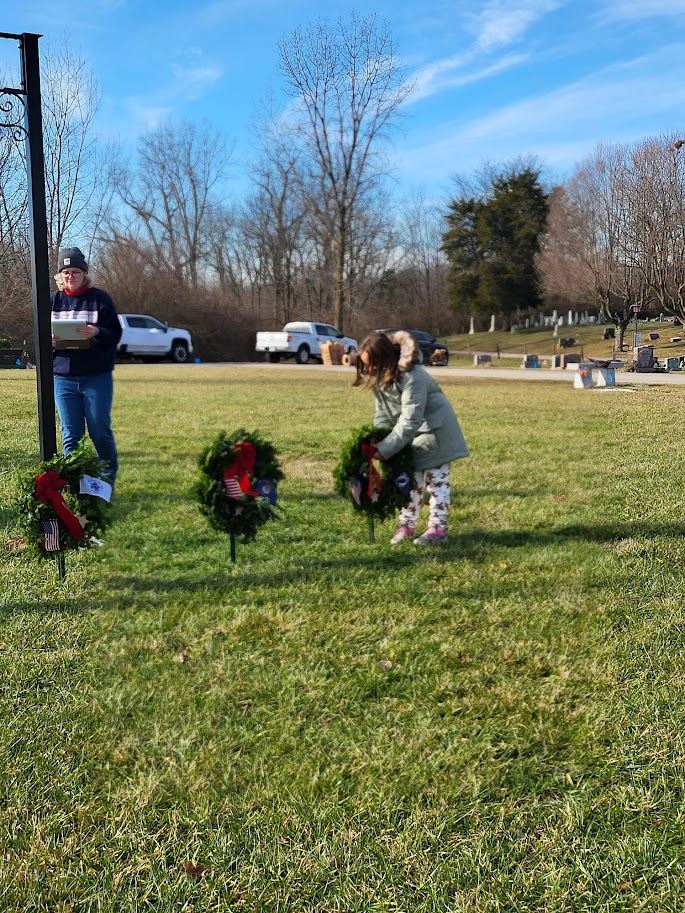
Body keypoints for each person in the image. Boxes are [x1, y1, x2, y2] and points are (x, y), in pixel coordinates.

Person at [354, 330, 469, 545]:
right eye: (365, 364)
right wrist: (377, 438)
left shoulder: (413, 376)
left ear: (385, 358)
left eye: (371, 363)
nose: (368, 369)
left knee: (437, 484)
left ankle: (438, 530)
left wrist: (385, 448)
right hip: (412, 439)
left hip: (436, 434)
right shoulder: (381, 378)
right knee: (408, 484)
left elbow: (410, 420)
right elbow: (383, 414)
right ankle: (406, 526)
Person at [51, 247, 122, 485]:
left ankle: (107, 481)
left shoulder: (99, 299)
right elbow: (37, 337)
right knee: (71, 435)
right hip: (64, 377)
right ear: (60, 275)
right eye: (66, 272)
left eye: (75, 272)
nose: (71, 276)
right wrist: (48, 341)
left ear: (85, 273)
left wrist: (97, 332)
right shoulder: (53, 301)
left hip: (96, 376)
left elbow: (115, 333)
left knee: (99, 431)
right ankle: (74, 485)